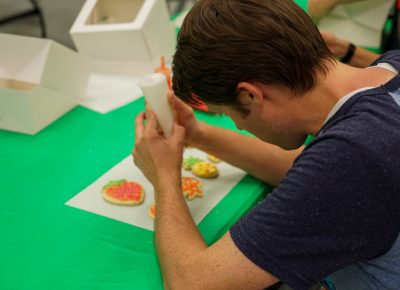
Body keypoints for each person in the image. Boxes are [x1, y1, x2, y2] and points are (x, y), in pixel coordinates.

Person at [132, 0, 400, 289]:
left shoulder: (350, 159)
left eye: (227, 114)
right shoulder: (389, 70)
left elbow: (194, 283)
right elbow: (308, 171)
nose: (237, 125)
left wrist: (163, 176)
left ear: (250, 95)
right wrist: (198, 134)